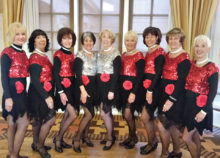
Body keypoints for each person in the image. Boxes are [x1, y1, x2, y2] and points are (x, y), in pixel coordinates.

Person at [182, 35, 219, 158]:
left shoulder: (212, 68)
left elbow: (213, 93)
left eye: (203, 46)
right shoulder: (191, 64)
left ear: (208, 48)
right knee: (195, 136)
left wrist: (203, 111)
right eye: (197, 46)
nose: (199, 49)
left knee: (186, 138)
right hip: (188, 105)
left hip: (201, 107)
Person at [156, 28, 191, 158]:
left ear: (181, 40)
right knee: (172, 127)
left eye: (176, 38)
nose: (173, 41)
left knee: (162, 125)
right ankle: (177, 151)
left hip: (176, 97)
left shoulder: (184, 57)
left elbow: (181, 82)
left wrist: (171, 100)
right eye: (170, 38)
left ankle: (164, 153)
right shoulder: (167, 55)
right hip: (164, 94)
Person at [1, 22, 29, 158]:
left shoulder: (23, 53)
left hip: (22, 94)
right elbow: (4, 78)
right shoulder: (6, 52)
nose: (20, 37)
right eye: (17, 34)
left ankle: (12, 154)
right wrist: (8, 97)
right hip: (11, 94)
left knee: (13, 125)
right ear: (11, 36)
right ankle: (14, 155)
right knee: (21, 124)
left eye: (23, 34)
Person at [28, 29, 56, 158]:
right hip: (39, 94)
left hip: (44, 92)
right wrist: (47, 97)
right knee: (51, 119)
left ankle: (35, 143)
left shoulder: (43, 55)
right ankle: (40, 145)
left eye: (43, 37)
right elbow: (34, 80)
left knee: (38, 120)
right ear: (34, 41)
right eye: (38, 37)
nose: (42, 39)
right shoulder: (35, 57)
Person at [140, 27, 165, 155]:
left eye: (152, 36)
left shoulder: (160, 51)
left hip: (154, 88)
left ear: (157, 37)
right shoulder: (149, 51)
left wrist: (150, 90)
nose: (149, 39)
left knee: (145, 116)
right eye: (146, 37)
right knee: (147, 117)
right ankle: (152, 141)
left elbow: (158, 73)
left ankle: (152, 142)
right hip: (148, 87)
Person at [53, 27, 77, 153]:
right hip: (63, 88)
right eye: (64, 38)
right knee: (73, 115)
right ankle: (58, 138)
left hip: (71, 87)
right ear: (60, 40)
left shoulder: (71, 54)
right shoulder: (58, 54)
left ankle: (60, 139)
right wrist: (61, 92)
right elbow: (56, 74)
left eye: (70, 38)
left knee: (67, 115)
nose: (67, 41)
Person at [119, 30, 145, 149]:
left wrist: (133, 92)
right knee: (126, 115)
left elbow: (140, 76)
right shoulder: (123, 54)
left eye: (132, 40)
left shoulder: (139, 55)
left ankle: (134, 137)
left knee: (128, 113)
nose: (129, 43)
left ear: (136, 41)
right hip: (123, 89)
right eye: (127, 40)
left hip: (134, 89)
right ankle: (130, 137)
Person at [72, 32, 97, 153]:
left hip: (93, 88)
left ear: (94, 42)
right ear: (82, 42)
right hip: (82, 88)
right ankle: (77, 138)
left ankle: (85, 137)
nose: (88, 43)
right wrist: (82, 91)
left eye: (91, 41)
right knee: (88, 114)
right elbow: (78, 74)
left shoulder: (95, 55)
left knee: (91, 113)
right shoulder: (79, 55)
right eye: (86, 40)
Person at [97, 29, 121, 150]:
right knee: (108, 113)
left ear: (112, 40)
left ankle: (110, 139)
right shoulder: (100, 52)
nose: (106, 39)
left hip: (111, 86)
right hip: (101, 87)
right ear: (101, 39)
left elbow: (116, 73)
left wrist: (112, 90)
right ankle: (110, 135)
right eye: (103, 37)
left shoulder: (116, 53)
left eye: (108, 37)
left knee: (104, 114)